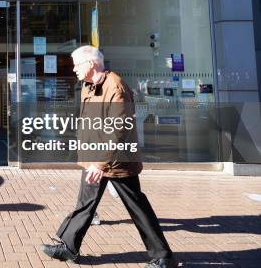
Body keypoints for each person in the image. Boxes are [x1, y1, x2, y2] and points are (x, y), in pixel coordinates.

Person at [42, 46, 175, 268]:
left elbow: (118, 130)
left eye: (76, 64)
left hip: (116, 161)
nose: (73, 69)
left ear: (91, 64)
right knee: (85, 204)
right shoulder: (88, 86)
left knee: (137, 207)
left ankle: (164, 257)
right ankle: (69, 247)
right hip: (96, 158)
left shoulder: (116, 87)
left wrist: (99, 163)